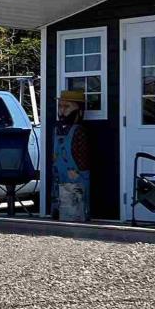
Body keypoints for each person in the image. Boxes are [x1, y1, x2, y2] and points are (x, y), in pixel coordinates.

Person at [51, 89, 91, 221]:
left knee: (75, 200)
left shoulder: (80, 130)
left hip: (75, 174)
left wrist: (81, 169)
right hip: (59, 171)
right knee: (58, 194)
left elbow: (83, 156)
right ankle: (57, 212)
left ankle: (77, 215)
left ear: (78, 110)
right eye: (60, 106)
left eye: (67, 106)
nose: (62, 110)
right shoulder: (57, 129)